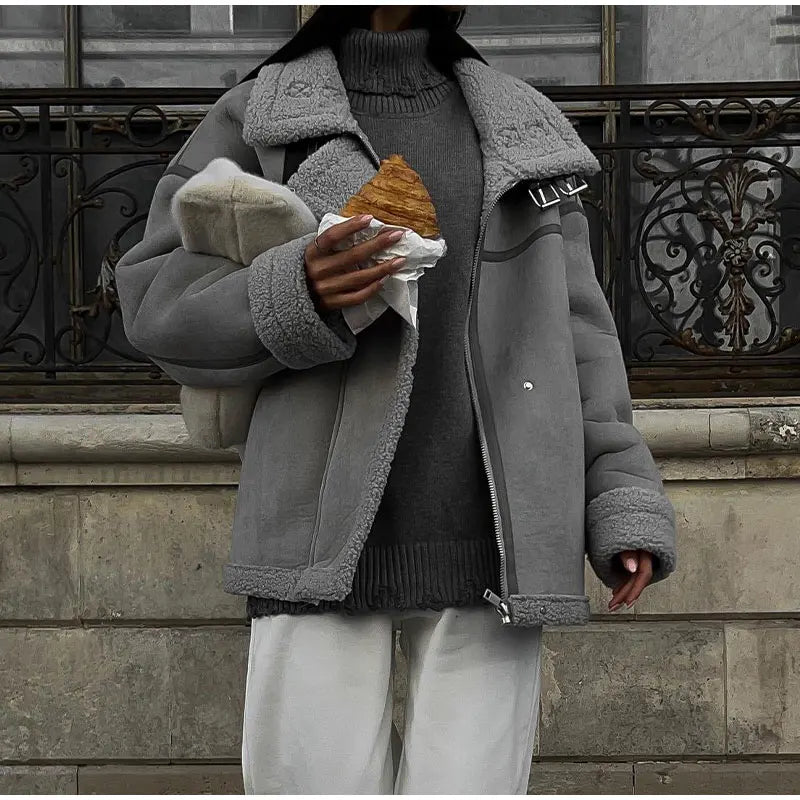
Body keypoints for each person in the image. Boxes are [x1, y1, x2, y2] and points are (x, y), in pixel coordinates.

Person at [114, 4, 677, 794]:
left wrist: (620, 496)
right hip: (313, 532)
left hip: (493, 543)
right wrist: (297, 289)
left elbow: (577, 337)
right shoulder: (261, 115)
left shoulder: (522, 127)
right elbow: (152, 301)